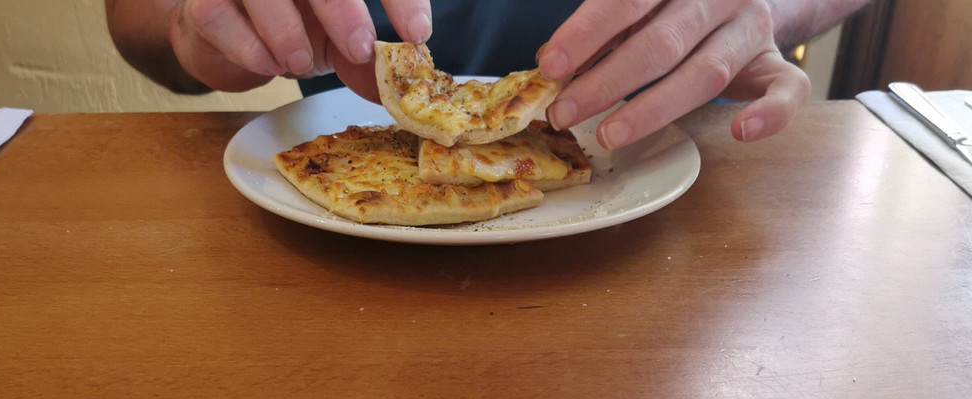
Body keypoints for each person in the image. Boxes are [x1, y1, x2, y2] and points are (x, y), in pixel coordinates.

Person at [105, 0, 871, 148]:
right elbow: (131, 16)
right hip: (338, 248)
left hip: (669, 191)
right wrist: (191, 23)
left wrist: (762, 9)